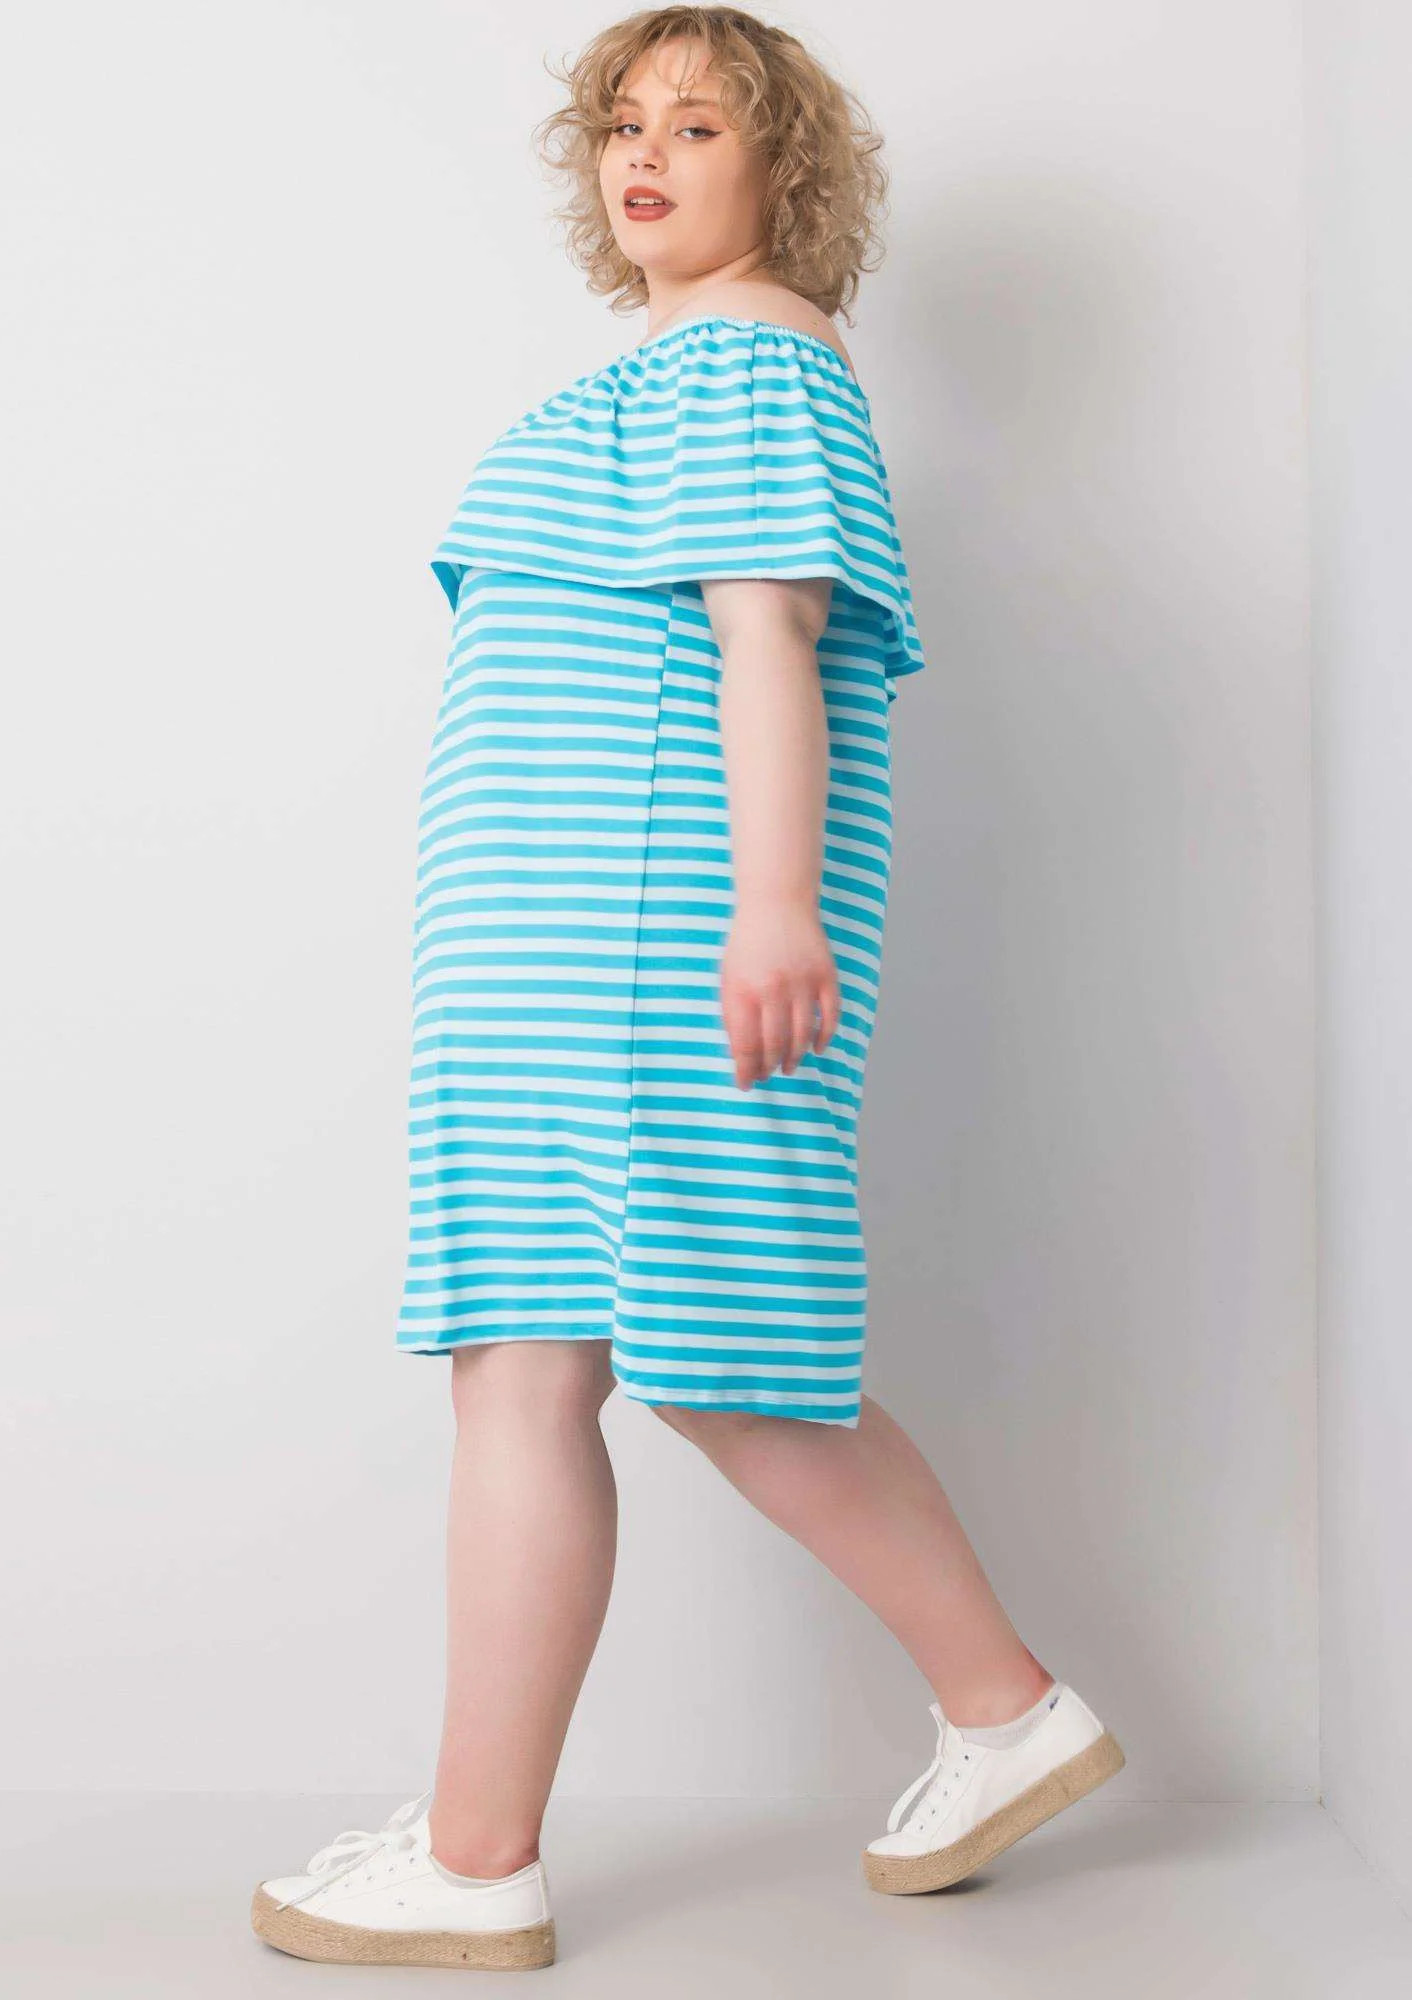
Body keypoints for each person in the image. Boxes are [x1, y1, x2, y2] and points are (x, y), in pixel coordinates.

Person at [250, 6, 1123, 1971]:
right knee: (555, 1357)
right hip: (557, 945)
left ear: (782, 171)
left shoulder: (746, 355)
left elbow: (764, 631)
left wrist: (776, 907)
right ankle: (506, 1841)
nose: (645, 152)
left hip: (643, 941)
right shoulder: (663, 369)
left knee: (699, 1353)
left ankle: (979, 1712)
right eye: (622, 123)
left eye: (700, 125)